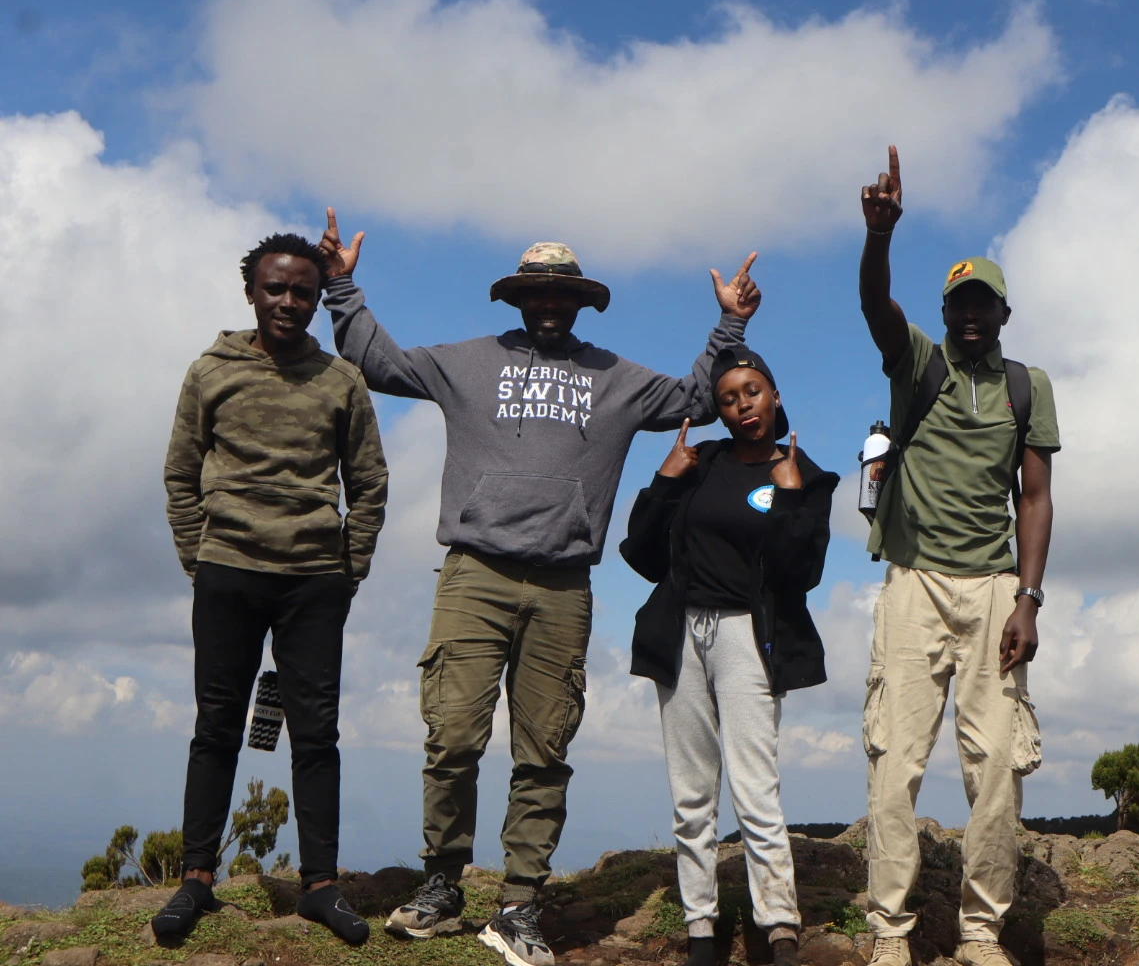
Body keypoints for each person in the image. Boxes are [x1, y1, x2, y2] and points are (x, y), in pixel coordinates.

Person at [316, 210, 761, 966]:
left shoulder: (616, 378)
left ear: (582, 302)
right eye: (536, 293)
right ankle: (443, 882)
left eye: (563, 295)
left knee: (544, 747)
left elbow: (694, 397)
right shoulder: (467, 362)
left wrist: (727, 325)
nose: (549, 304)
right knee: (451, 734)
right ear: (517, 299)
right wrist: (341, 286)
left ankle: (519, 903)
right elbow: (378, 363)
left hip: (564, 583)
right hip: (474, 575)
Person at [153, 233, 388, 946]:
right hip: (228, 571)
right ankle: (196, 880)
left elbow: (369, 483)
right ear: (251, 290)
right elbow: (180, 473)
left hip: (313, 580)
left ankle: (319, 885)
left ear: (318, 299)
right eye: (276, 289)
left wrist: (349, 569)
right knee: (215, 725)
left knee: (316, 733)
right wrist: (203, 561)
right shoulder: (210, 371)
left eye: (303, 292)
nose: (289, 302)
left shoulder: (340, 379)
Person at [856, 148, 1060, 966]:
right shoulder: (920, 364)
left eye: (984, 305)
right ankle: (890, 936)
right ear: (944, 311)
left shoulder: (1025, 385)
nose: (970, 316)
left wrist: (1029, 598)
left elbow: (1035, 498)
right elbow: (875, 304)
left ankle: (981, 934)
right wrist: (879, 236)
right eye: (959, 304)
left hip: (995, 592)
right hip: (913, 585)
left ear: (1004, 314)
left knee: (999, 769)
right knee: (894, 765)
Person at [620, 348, 839, 966]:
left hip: (750, 637)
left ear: (773, 395)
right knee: (691, 793)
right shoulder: (701, 462)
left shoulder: (806, 474)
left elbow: (803, 575)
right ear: (717, 410)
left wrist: (790, 499)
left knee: (755, 788)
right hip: (682, 634)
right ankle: (701, 929)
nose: (743, 406)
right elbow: (640, 556)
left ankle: (779, 927)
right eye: (729, 398)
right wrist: (666, 479)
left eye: (753, 392)